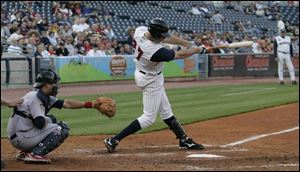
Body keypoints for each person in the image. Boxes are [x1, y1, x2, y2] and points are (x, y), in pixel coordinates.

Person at [104, 18, 207, 153]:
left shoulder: (140, 30)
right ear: (156, 35)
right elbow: (180, 54)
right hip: (150, 80)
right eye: (161, 37)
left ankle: (184, 139)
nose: (164, 38)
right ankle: (114, 139)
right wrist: (197, 50)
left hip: (146, 74)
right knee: (148, 118)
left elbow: (167, 37)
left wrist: (188, 43)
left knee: (166, 111)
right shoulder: (153, 50)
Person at [6, 70, 109, 164]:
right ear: (46, 85)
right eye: (53, 83)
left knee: (51, 120)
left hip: (19, 134)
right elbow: (40, 123)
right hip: (22, 137)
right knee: (62, 128)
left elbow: (67, 103)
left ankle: (25, 152)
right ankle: (35, 154)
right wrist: (49, 119)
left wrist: (91, 104)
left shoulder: (39, 95)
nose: (56, 86)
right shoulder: (35, 98)